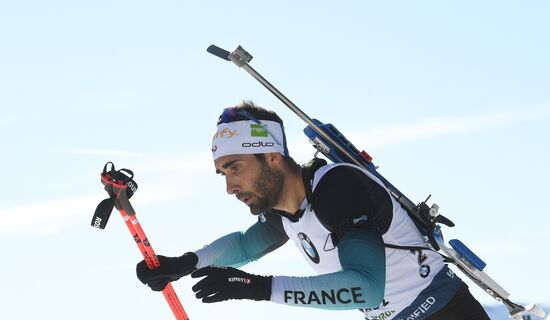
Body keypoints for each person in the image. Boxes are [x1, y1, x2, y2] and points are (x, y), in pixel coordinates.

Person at [136, 101, 490, 320]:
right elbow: (244, 246)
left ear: (272, 157)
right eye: (223, 173)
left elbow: (367, 288)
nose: (230, 187)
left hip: (444, 314)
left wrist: (258, 289)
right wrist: (185, 263)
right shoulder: (287, 209)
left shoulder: (337, 187)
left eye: (236, 168)